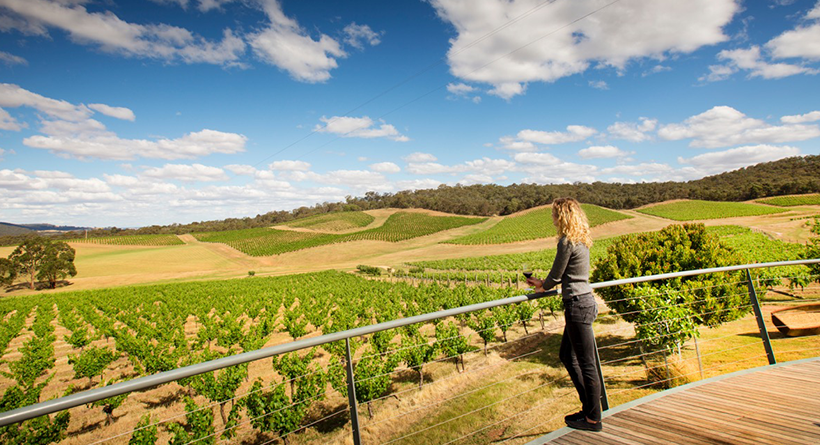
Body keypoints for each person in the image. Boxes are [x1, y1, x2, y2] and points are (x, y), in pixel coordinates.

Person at [526, 197, 602, 432]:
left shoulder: (566, 242)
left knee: (586, 364)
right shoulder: (583, 240)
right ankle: (589, 408)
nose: (552, 218)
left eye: (554, 214)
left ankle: (593, 419)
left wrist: (541, 284)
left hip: (577, 305)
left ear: (562, 216)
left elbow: (556, 276)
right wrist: (544, 283)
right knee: (568, 356)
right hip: (585, 302)